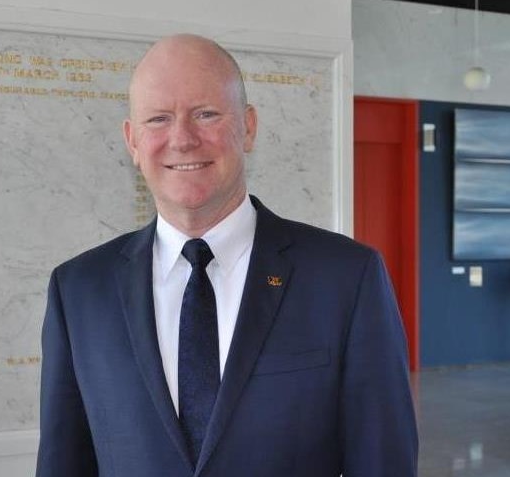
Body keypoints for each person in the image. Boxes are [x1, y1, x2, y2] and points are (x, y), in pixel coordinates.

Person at [36, 34, 418, 477]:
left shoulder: (347, 278)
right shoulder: (79, 290)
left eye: (206, 114)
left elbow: (383, 462)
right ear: (132, 142)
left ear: (248, 126)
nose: (181, 139)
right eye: (158, 119)